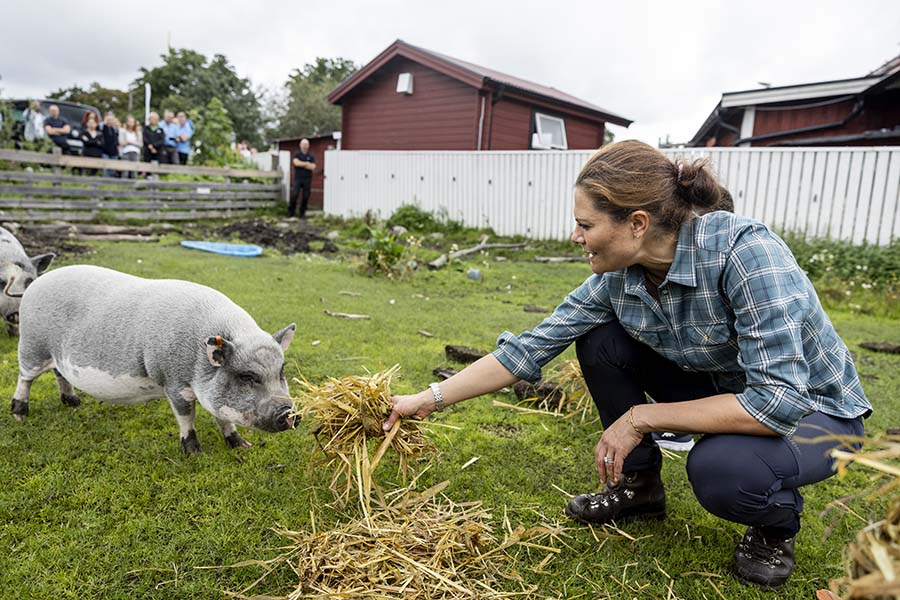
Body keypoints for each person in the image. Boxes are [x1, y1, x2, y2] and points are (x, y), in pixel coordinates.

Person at [383, 140, 872, 590]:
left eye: (586, 224)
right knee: (600, 339)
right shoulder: (620, 278)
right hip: (728, 391)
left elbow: (777, 403)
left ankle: (775, 524)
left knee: (723, 469)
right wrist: (426, 400)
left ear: (637, 223)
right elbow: (528, 349)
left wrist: (642, 417)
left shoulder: (746, 254)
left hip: (816, 414)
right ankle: (638, 487)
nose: (575, 236)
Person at [289, 138, 315, 218]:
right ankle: (291, 212)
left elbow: (313, 166)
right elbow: (296, 163)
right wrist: (306, 164)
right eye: (303, 144)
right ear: (300, 145)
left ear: (308, 146)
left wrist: (302, 164)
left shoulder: (311, 156)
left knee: (306, 196)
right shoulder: (297, 154)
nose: (305, 146)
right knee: (294, 195)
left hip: (307, 179)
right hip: (298, 178)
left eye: (306, 144)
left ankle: (302, 213)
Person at [100, 112, 120, 177]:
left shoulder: (114, 129)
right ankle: (105, 184)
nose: (110, 121)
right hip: (105, 151)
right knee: (105, 168)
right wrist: (105, 121)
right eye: (109, 119)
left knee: (112, 169)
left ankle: (111, 184)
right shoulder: (103, 127)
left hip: (114, 152)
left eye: (111, 119)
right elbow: (99, 126)